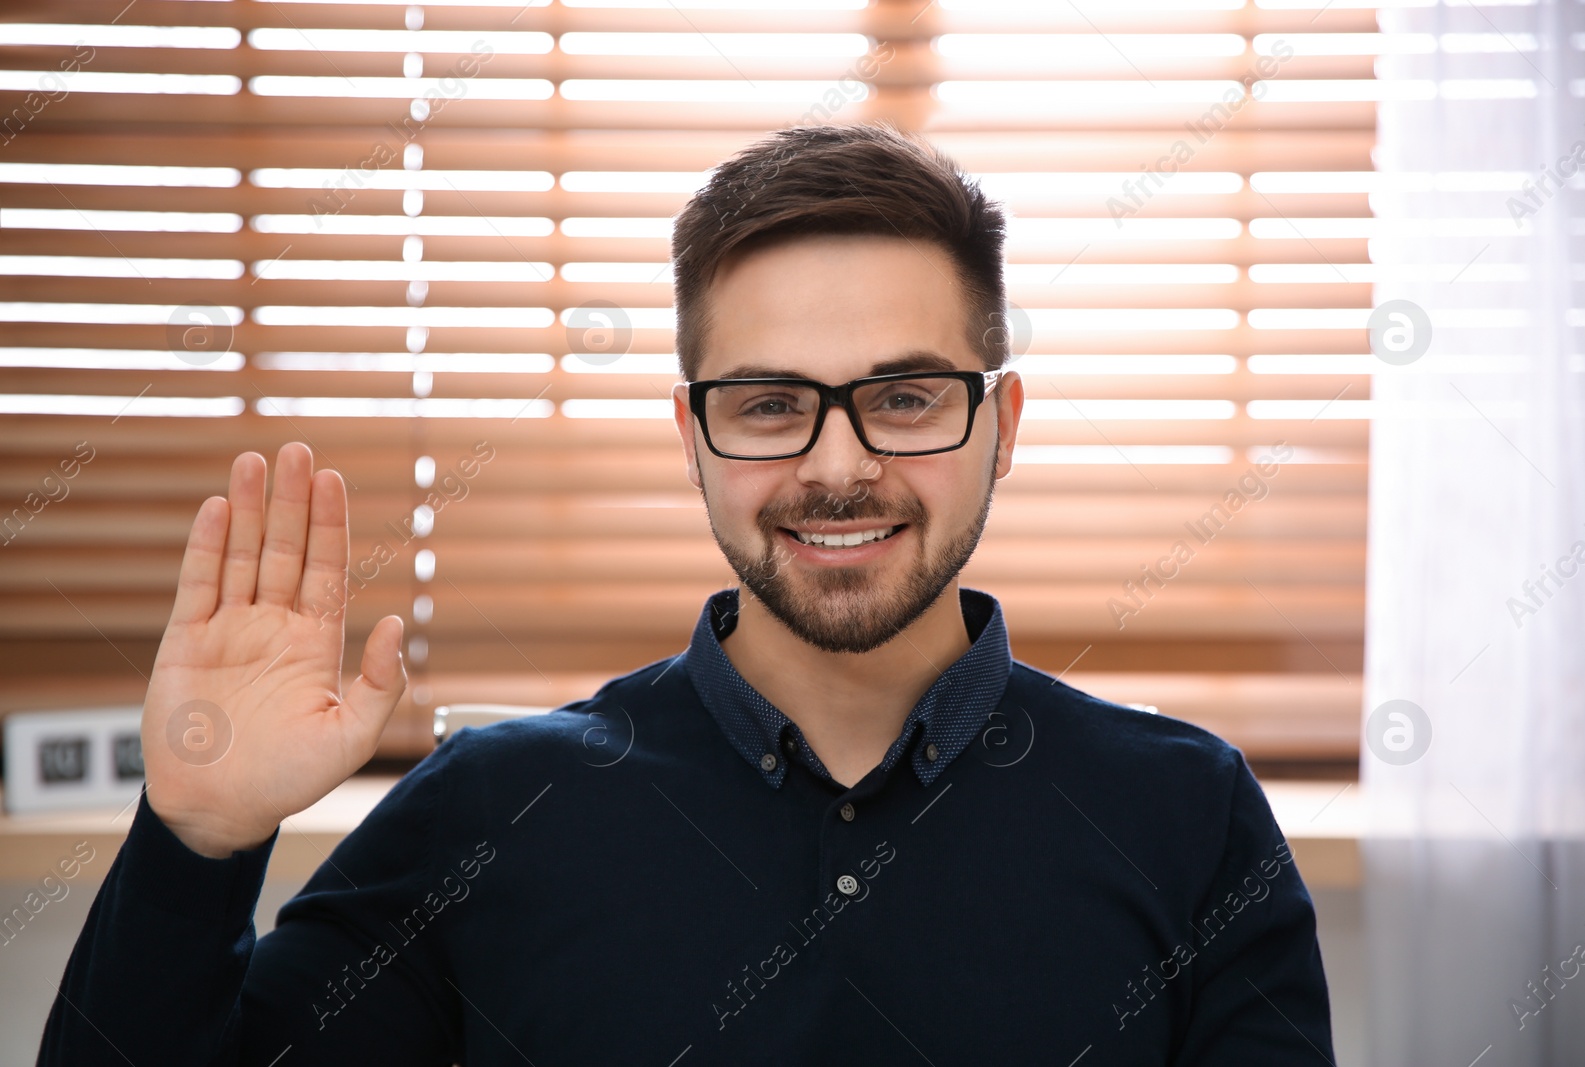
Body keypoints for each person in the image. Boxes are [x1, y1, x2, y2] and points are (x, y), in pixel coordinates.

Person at [39, 123, 1335, 1065]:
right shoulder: (492, 813)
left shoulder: (1186, 818)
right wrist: (193, 843)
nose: (841, 467)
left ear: (1002, 424)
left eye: (903, 398)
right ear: (691, 434)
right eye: (770, 405)